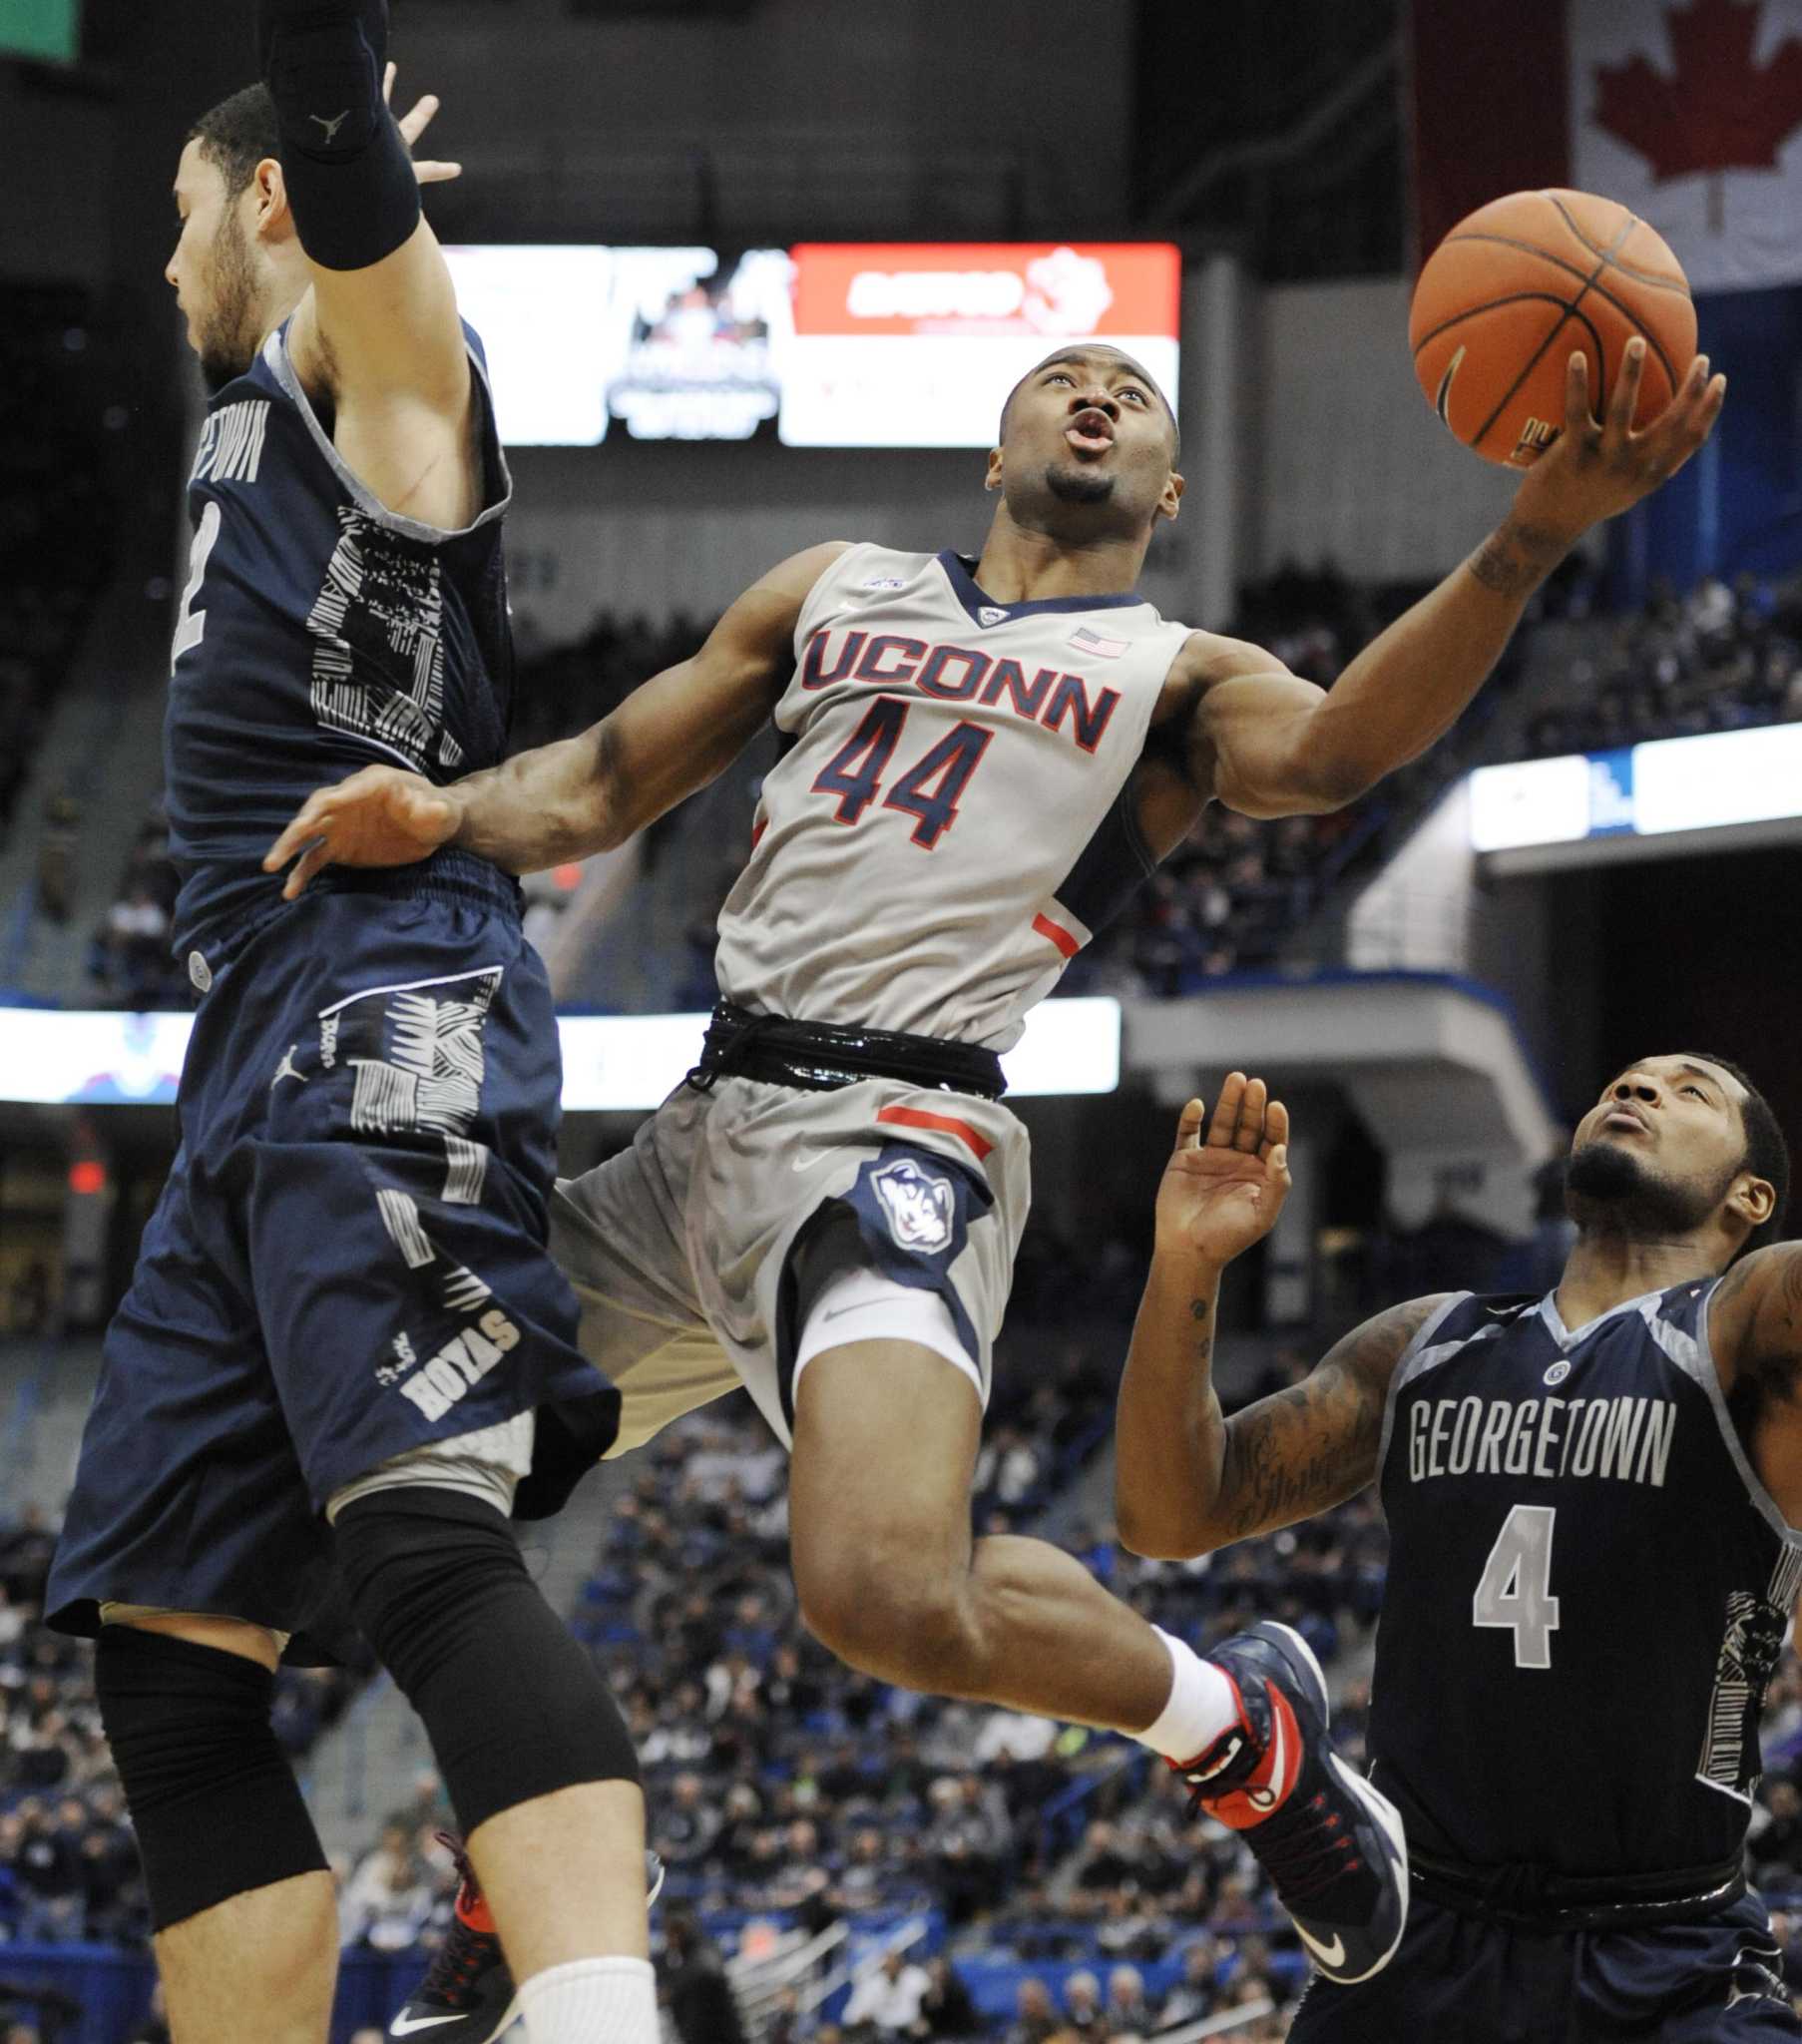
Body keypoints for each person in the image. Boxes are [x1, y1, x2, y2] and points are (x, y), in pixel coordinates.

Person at [269, 319, 1725, 2005]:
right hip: (690, 1140)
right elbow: (600, 779)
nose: (1096, 391)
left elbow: (1334, 755)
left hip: (898, 1131)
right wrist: (442, 812)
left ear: (1170, 486)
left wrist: (1529, 530)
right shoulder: (828, 586)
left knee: (881, 1591)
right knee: (346, 1494)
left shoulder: (1177, 674)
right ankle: (530, 1856)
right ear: (994, 445)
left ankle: (1242, 1732)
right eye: (1062, 376)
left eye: (1134, 393)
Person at [40, 10, 654, 2044]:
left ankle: (594, 2020)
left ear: (278, 198)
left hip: (387, 983)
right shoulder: (253, 401)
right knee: (163, 1652)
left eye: (186, 212)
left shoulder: (373, 369)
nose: (163, 260)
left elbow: (369, 263)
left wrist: (321, 92)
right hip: (250, 1046)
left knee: (415, 1527)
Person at [1116, 1058, 1802, 2038]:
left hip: (1668, 1955)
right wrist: (1186, 1258)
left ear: (1753, 1195)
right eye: (1620, 1081)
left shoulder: (1748, 1329)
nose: (1636, 1091)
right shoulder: (1427, 1342)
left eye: (1688, 1090)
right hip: (1415, 1946)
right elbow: (1168, 1513)